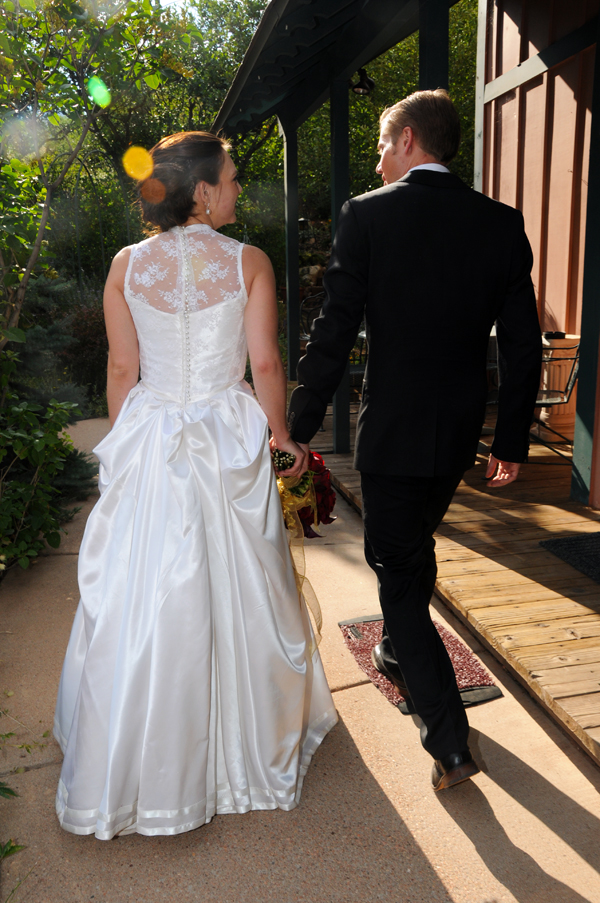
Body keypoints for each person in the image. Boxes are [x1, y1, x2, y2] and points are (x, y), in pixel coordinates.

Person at [53, 131, 337, 838]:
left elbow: (122, 369)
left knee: (142, 585)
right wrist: (281, 435)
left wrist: (123, 445)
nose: (240, 187)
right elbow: (266, 363)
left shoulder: (126, 264)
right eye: (233, 178)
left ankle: (134, 753)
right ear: (204, 192)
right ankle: (243, 750)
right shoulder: (248, 262)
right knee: (242, 584)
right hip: (223, 432)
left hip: (152, 429)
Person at [288, 90, 541, 791]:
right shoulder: (500, 222)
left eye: (379, 143)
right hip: (460, 432)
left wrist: (296, 427)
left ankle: (449, 740)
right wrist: (512, 440)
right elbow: (523, 344)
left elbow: (334, 330)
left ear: (406, 139)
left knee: (397, 574)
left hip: (394, 430)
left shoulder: (368, 216)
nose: (375, 158)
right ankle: (401, 648)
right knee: (412, 550)